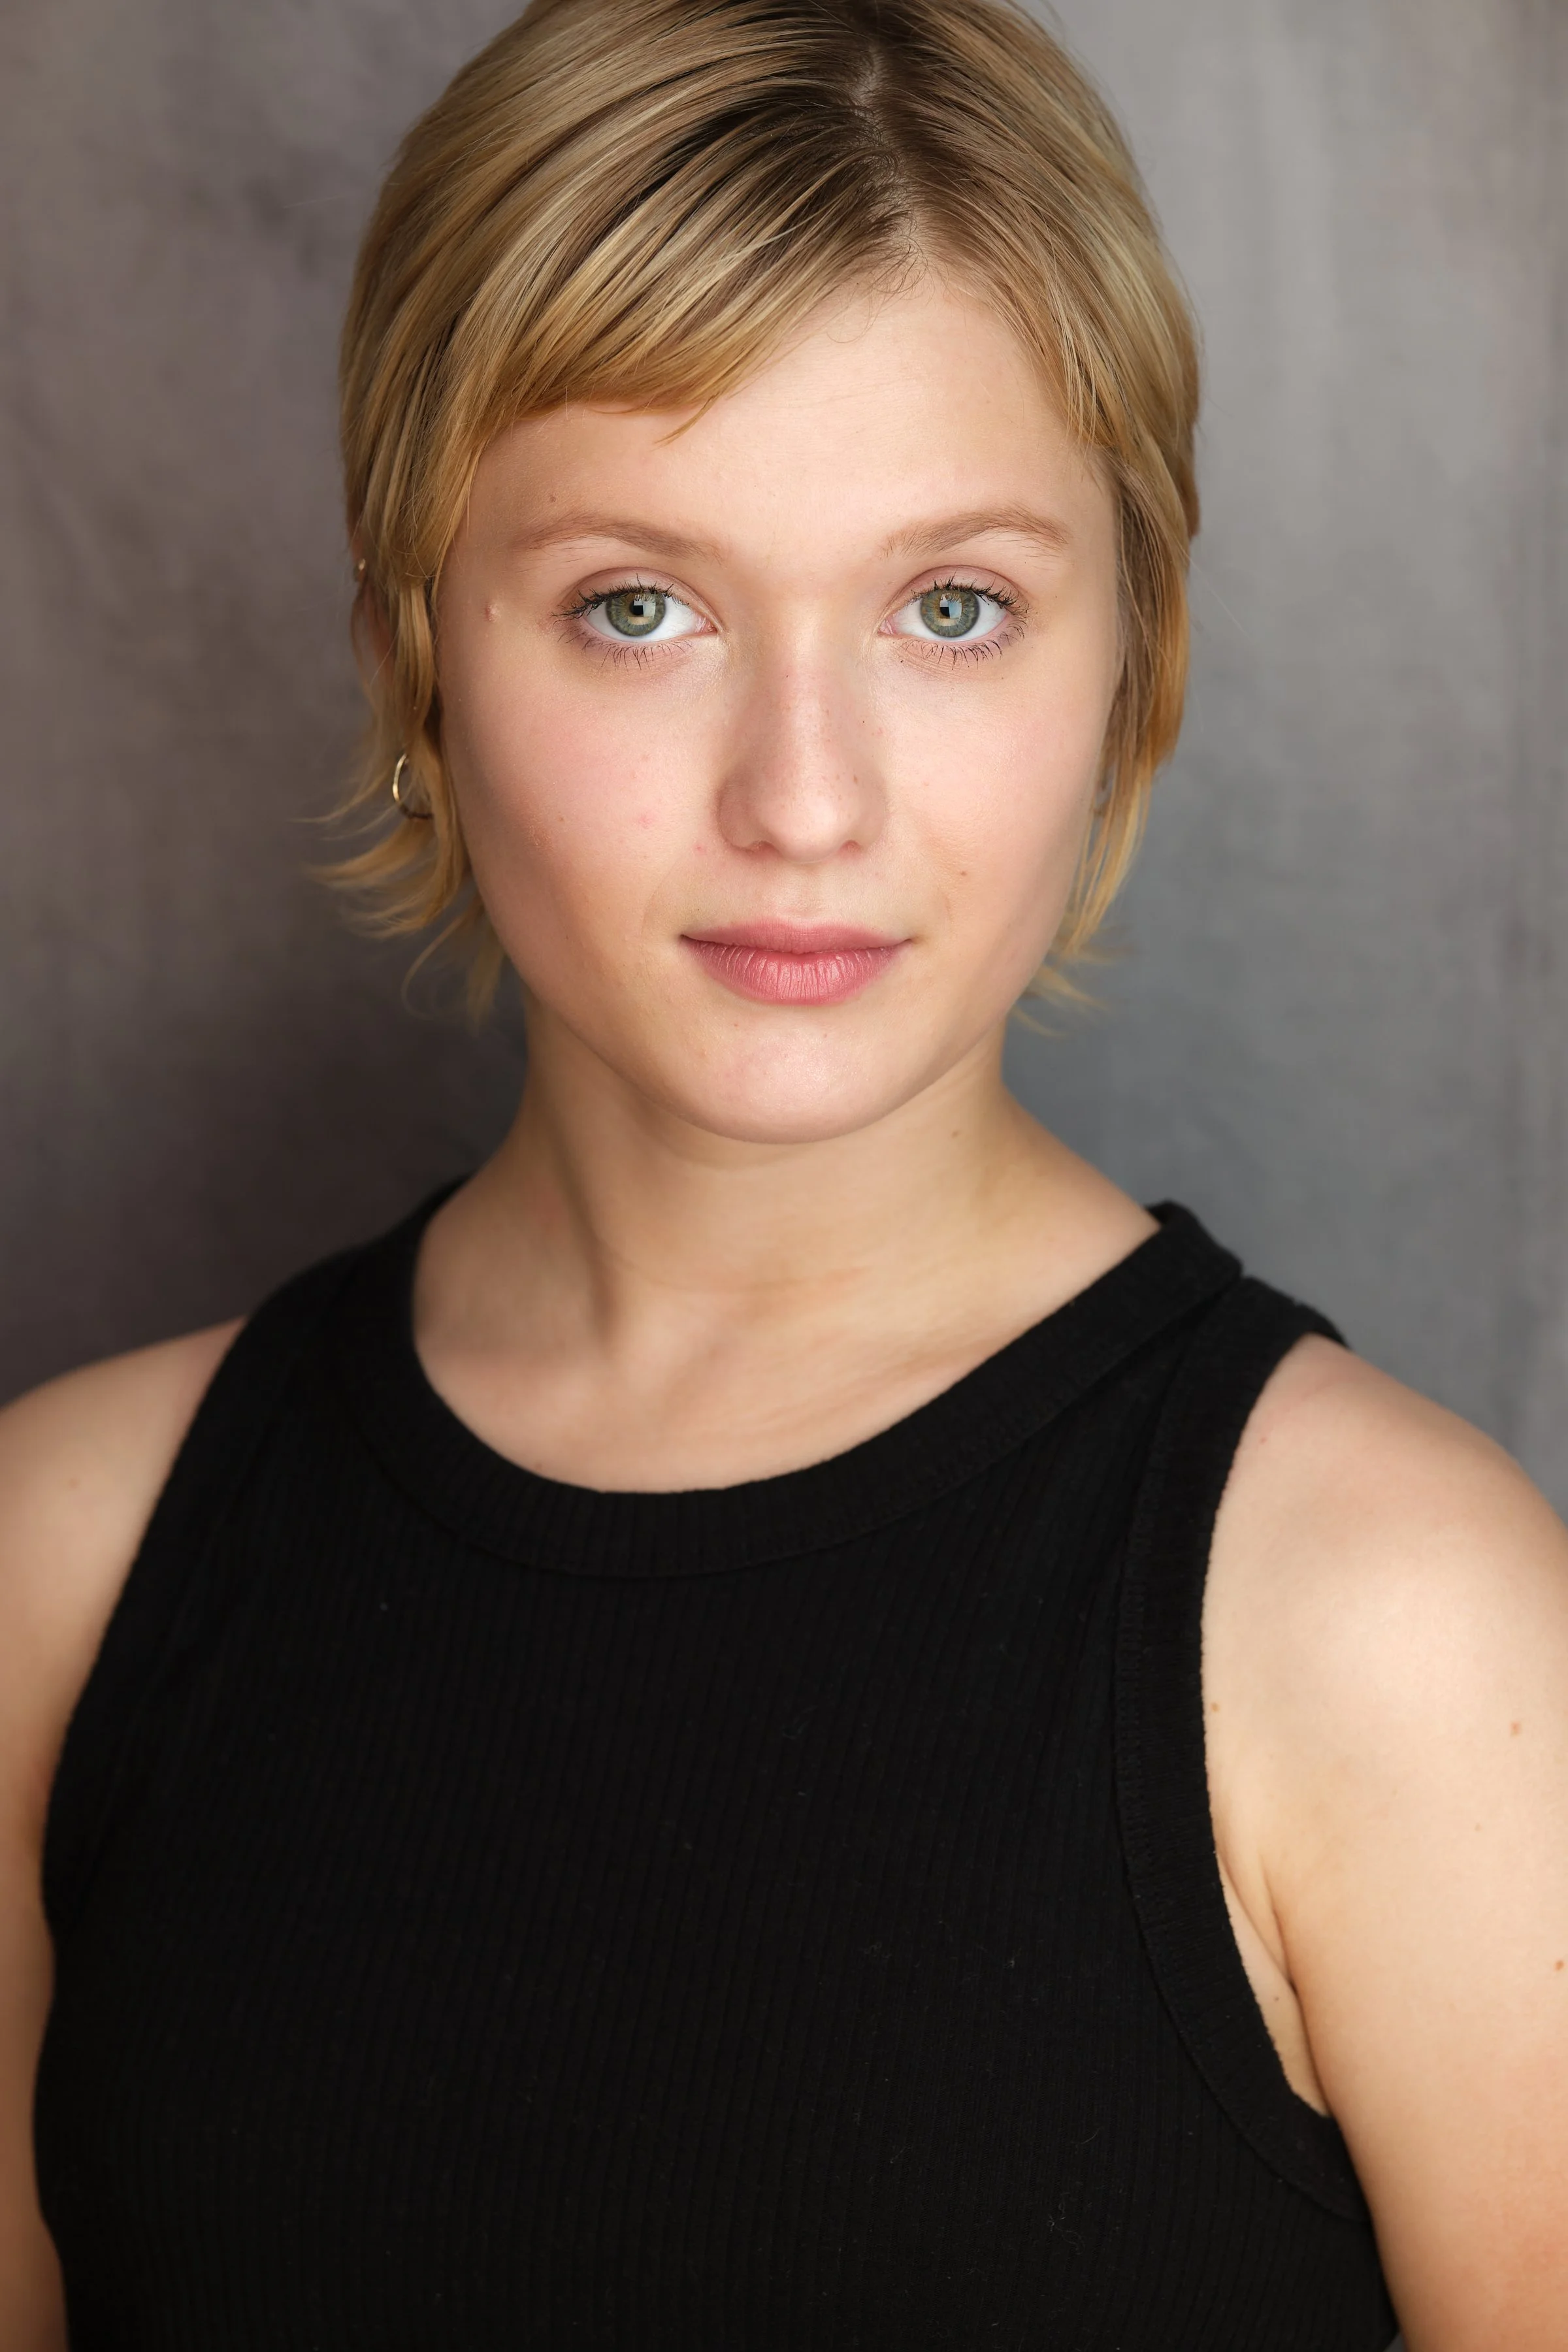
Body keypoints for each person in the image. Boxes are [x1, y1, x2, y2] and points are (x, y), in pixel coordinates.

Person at [1, 0, 1564, 2342]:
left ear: (1127, 663)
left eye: (954, 608)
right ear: (413, 649)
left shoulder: (1405, 1638)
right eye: (641, 607)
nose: (805, 800)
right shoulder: (60, 1571)